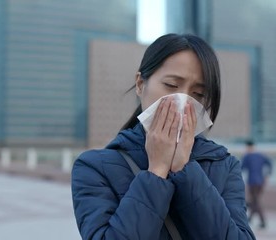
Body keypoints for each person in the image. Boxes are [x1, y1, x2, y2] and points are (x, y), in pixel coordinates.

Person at [71, 33, 255, 239]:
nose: (183, 101)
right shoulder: (93, 167)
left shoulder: (225, 165)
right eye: (171, 85)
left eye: (198, 94)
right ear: (141, 84)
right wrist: (156, 171)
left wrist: (185, 169)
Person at [241, 140, 272, 229]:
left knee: (255, 201)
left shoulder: (247, 156)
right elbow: (270, 163)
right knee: (255, 200)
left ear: (247, 147)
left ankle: (263, 222)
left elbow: (241, 168)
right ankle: (249, 219)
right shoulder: (261, 155)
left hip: (252, 182)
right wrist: (267, 174)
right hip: (261, 182)